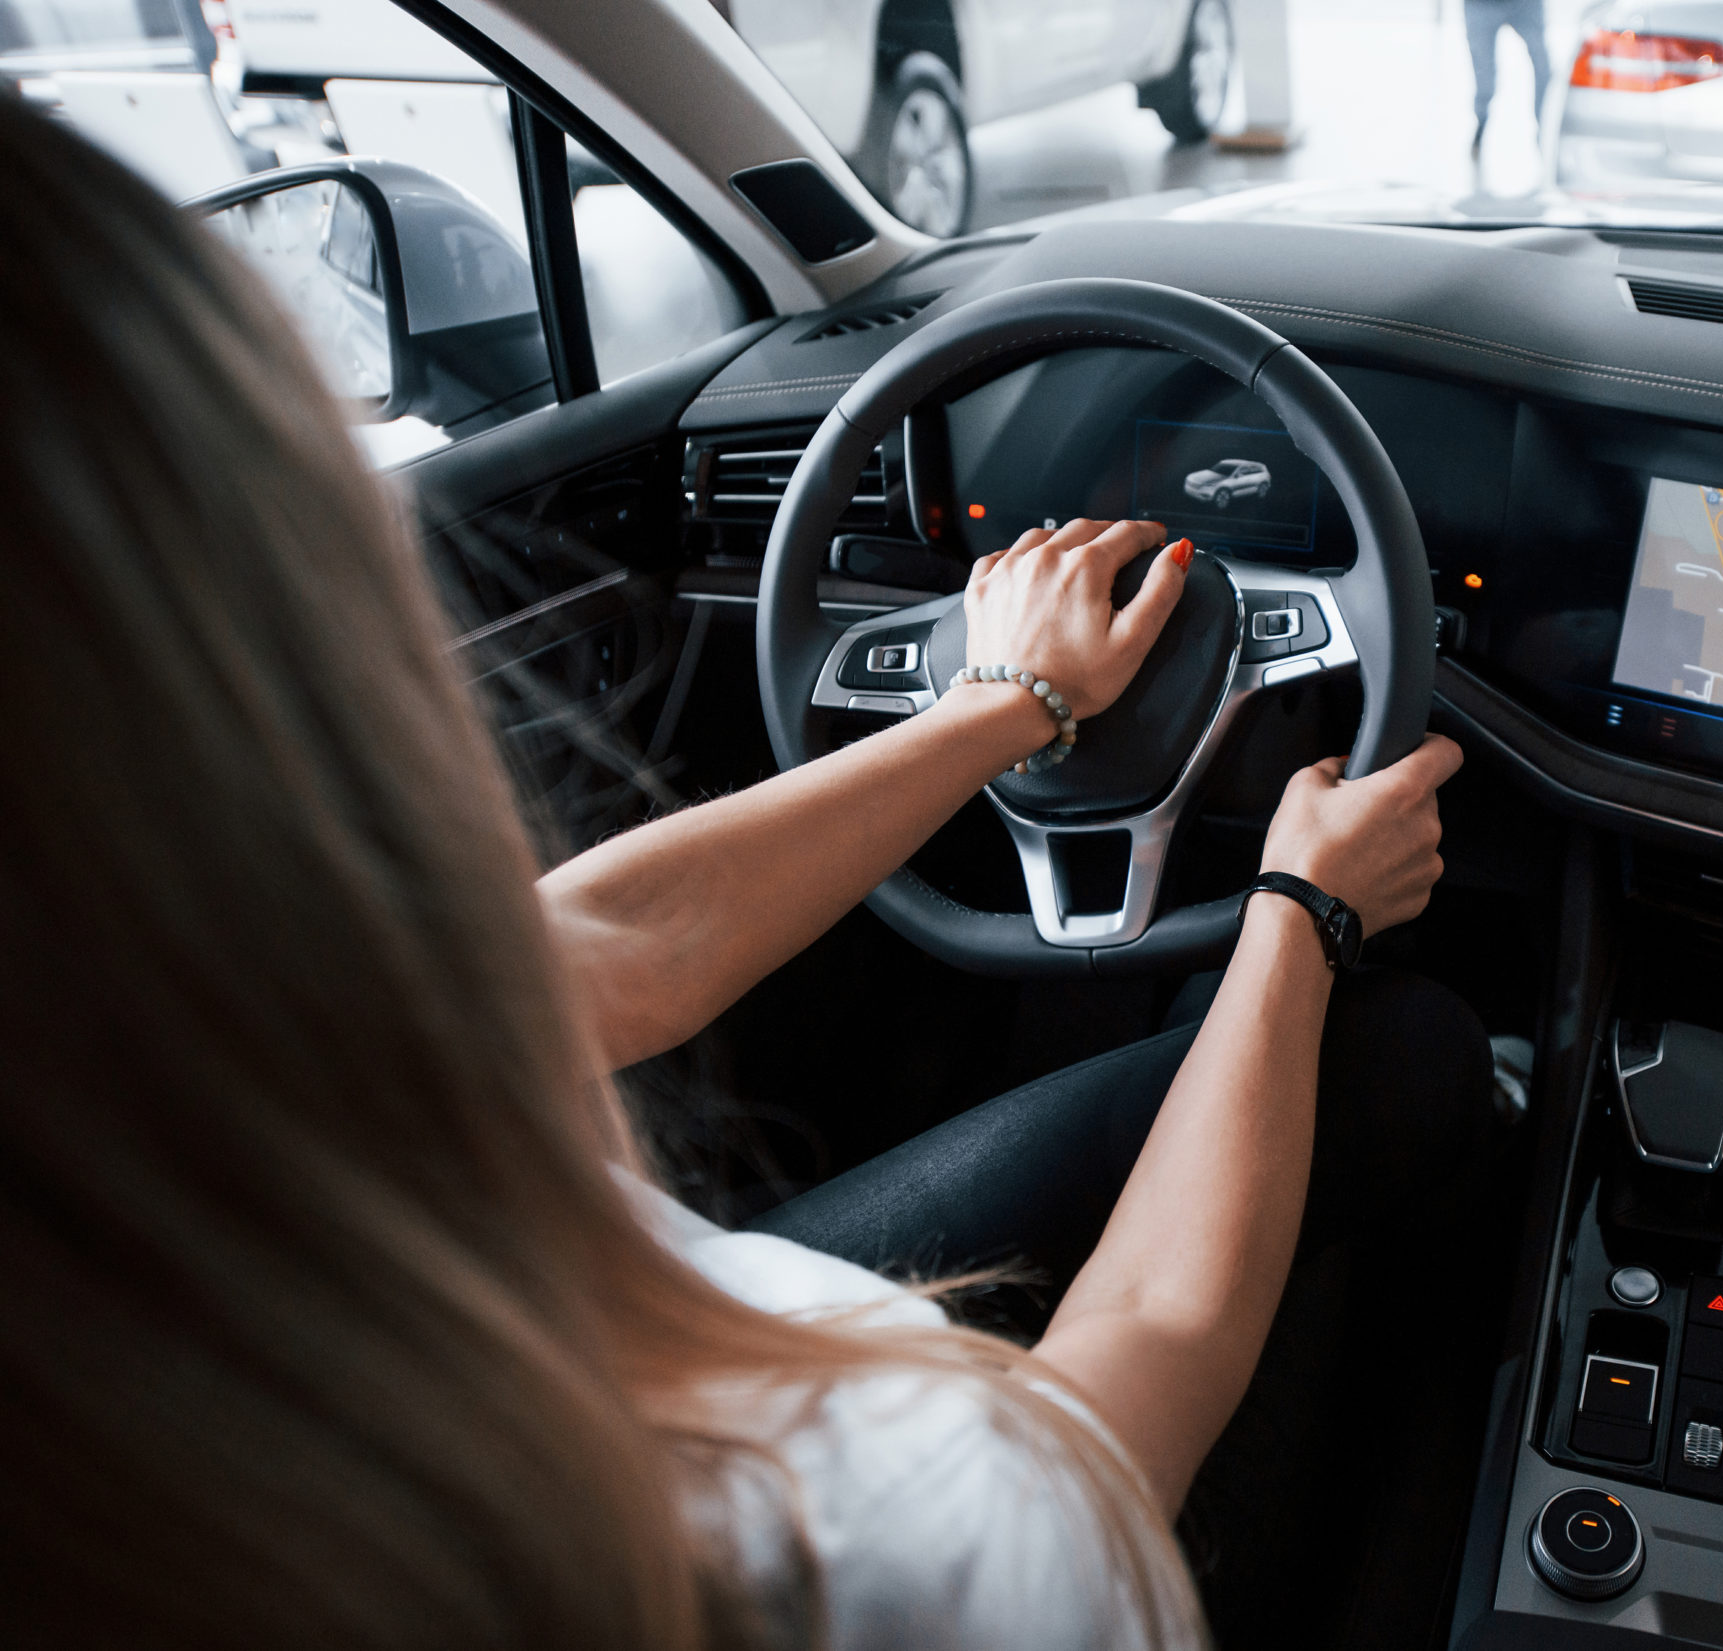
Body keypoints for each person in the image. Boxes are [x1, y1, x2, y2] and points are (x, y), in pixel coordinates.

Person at [0, 93, 1490, 1651]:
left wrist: (1012, 704)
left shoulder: (147, 1108)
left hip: (641, 1344)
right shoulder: (876, 1542)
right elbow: (1142, 1356)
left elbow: (598, 947)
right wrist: (1301, 910)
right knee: (1412, 1053)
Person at [1464, 0, 1553, 156]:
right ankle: (1481, 123)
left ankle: (1546, 132)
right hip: (1480, 5)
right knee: (1484, 77)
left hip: (1525, 5)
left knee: (1542, 66)